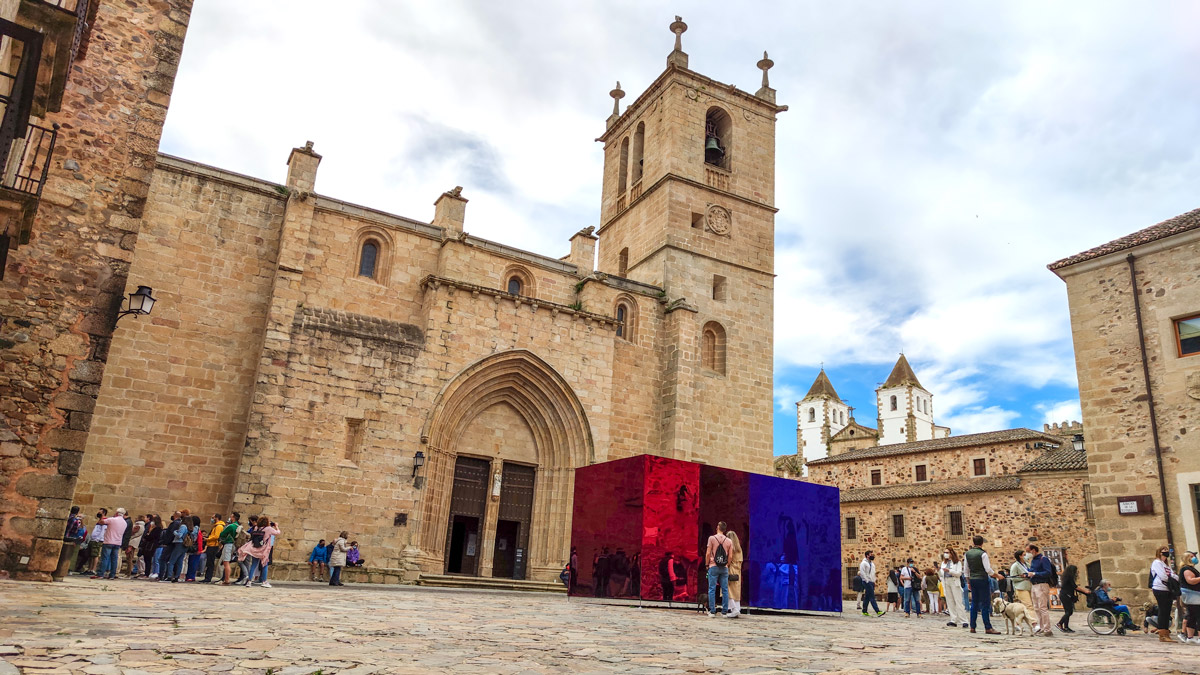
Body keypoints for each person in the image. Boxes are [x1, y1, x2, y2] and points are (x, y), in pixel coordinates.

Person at [964, 535, 1002, 634]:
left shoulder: (967, 554)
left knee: (974, 603)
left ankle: (972, 626)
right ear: (982, 543)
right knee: (985, 603)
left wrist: (968, 581)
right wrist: (997, 576)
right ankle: (987, 627)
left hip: (973, 580)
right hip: (982, 579)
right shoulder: (983, 554)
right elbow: (988, 569)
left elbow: (966, 570)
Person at [1021, 544, 1055, 637]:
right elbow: (1032, 571)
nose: (1027, 554)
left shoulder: (1043, 559)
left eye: (1028, 551)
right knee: (1036, 607)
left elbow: (1047, 572)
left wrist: (1035, 574)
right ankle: (1041, 627)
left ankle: (1047, 629)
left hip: (1042, 585)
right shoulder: (1033, 561)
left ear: (1033, 550)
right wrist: (1027, 574)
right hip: (1034, 585)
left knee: (1043, 607)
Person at [1150, 545, 1180, 643]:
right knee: (1163, 610)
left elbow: (1175, 576)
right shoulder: (1157, 563)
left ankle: (1165, 632)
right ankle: (1162, 634)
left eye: (1167, 550)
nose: (1166, 552)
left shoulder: (1165, 564)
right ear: (1159, 552)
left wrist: (1171, 576)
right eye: (1164, 551)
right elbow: (1163, 576)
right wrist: (1171, 577)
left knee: (1167, 610)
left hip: (1167, 589)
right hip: (1159, 588)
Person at [705, 521, 733, 617]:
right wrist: (727, 565)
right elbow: (730, 556)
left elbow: (708, 553)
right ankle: (724, 611)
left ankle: (712, 611)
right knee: (725, 589)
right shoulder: (729, 541)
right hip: (724, 567)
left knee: (712, 589)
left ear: (717, 527)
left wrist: (707, 564)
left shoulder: (712, 538)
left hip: (713, 565)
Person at [1009, 549, 1040, 632]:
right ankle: (1034, 624)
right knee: (1029, 606)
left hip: (1029, 587)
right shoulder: (1015, 566)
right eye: (1024, 554)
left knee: (1023, 608)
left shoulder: (1027, 564)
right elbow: (1012, 578)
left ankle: (1017, 623)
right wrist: (1022, 577)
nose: (1026, 556)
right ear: (1020, 556)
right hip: (1021, 588)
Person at [94, 508, 127, 580]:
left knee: (105, 558)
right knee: (114, 559)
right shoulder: (124, 523)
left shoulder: (112, 519)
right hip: (118, 542)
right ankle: (112, 575)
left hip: (109, 541)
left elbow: (101, 522)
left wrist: (101, 516)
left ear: (117, 513)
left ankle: (101, 573)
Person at [941, 548, 968, 628]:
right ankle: (953, 619)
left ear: (951, 553)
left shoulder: (957, 563)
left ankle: (964, 620)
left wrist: (949, 571)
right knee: (950, 601)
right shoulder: (944, 563)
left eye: (947, 552)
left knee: (958, 601)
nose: (945, 554)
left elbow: (959, 573)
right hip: (946, 581)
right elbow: (942, 573)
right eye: (944, 552)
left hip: (954, 581)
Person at [1055, 564, 1086, 633]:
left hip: (1065, 595)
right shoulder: (1069, 578)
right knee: (1069, 611)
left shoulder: (1067, 577)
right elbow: (1075, 587)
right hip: (1065, 596)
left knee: (1068, 611)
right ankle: (1059, 623)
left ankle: (1066, 627)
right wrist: (1085, 591)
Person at [1178, 551, 1200, 644]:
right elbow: (1190, 580)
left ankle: (1190, 637)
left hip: (1192, 595)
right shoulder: (1186, 569)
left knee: (1192, 615)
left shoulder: (1189, 568)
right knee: (1198, 615)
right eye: (1192, 556)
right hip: (1193, 595)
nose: (1194, 558)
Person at [161, 511, 188, 583]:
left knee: (171, 561)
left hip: (179, 544)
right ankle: (176, 577)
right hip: (183, 545)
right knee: (179, 561)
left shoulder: (183, 526)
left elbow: (179, 535)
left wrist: (175, 532)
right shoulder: (187, 527)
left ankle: (169, 577)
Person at [724, 531, 744, 618]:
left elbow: (729, 558)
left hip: (730, 570)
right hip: (737, 571)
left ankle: (734, 608)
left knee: (727, 589)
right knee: (736, 590)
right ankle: (737, 608)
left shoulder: (730, 548)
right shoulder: (739, 549)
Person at [81, 510, 107, 575]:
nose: (98, 512)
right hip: (93, 539)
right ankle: (89, 568)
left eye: (100, 512)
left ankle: (93, 569)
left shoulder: (104, 521)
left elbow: (103, 531)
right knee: (91, 555)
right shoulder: (99, 521)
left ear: (103, 513)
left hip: (97, 540)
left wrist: (98, 539)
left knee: (95, 555)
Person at [218, 512, 240, 584]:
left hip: (228, 544)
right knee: (227, 562)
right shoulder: (238, 525)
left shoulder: (231, 526)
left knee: (226, 562)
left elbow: (222, 534)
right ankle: (226, 579)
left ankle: (227, 580)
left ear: (233, 518)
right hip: (233, 545)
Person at [202, 513, 225, 583]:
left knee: (210, 562)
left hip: (213, 545)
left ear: (216, 518)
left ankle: (208, 577)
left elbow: (216, 536)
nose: (212, 519)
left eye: (213, 517)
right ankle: (207, 577)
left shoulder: (219, 526)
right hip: (211, 545)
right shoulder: (215, 526)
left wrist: (207, 539)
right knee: (209, 562)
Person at [858, 550, 882, 617]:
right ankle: (877, 611)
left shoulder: (872, 564)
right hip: (867, 582)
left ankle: (864, 611)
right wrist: (866, 580)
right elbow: (862, 572)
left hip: (871, 581)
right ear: (867, 555)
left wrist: (874, 580)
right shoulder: (863, 563)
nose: (872, 555)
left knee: (867, 597)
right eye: (871, 554)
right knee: (872, 596)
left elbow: (872, 573)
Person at [185, 515, 204, 581]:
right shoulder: (198, 528)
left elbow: (194, 536)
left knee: (192, 562)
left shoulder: (195, 528)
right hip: (197, 548)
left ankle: (190, 576)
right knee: (192, 562)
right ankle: (190, 576)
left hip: (195, 548)